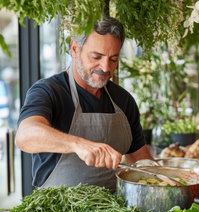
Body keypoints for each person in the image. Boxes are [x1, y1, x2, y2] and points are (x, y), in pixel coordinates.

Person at [15, 15, 155, 190]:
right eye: (97, 56)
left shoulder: (123, 100)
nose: (105, 67)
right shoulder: (49, 91)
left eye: (113, 59)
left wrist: (166, 181)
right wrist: (78, 144)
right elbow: (25, 136)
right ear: (75, 49)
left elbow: (141, 161)